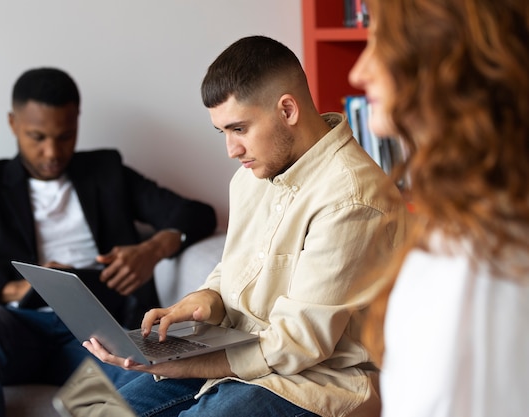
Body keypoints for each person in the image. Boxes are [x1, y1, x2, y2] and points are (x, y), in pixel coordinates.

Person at [79, 35, 410, 417]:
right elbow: (236, 270)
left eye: (239, 129)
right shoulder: (250, 178)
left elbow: (298, 344)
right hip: (241, 358)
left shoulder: (352, 199)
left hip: (318, 382)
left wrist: (177, 364)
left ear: (287, 110)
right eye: (223, 133)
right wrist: (206, 299)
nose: (231, 150)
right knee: (89, 407)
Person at [0, 67, 217, 417]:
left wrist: (153, 250)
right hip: (14, 333)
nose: (52, 151)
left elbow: (197, 213)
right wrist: (19, 289)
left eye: (65, 136)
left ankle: (87, 402)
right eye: (37, 137)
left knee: (162, 385)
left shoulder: (106, 172)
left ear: (77, 122)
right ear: (13, 124)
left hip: (95, 335)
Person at [347, 1, 529, 416]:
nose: (359, 72)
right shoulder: (469, 226)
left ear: (442, 52)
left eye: (381, 41)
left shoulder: (483, 260)